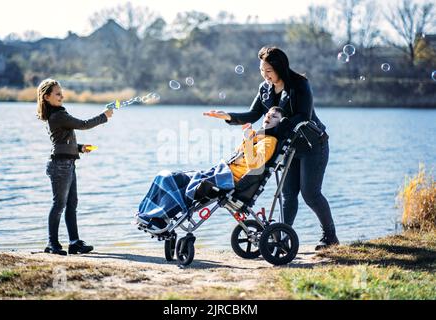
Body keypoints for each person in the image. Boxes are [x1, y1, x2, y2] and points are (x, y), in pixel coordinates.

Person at [204, 46, 339, 250]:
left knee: (310, 193)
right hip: (287, 147)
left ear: (280, 68)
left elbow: (303, 116)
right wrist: (229, 116)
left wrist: (266, 133)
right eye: (261, 70)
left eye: (268, 71)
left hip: (312, 145)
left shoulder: (300, 85)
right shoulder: (265, 89)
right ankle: (283, 237)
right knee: (288, 194)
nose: (264, 75)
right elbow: (253, 114)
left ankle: (330, 237)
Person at [136, 107, 284, 231]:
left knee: (184, 183)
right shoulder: (256, 136)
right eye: (268, 114)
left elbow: (254, 165)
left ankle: (159, 218)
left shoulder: (270, 142)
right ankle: (149, 215)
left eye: (275, 116)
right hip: (221, 171)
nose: (269, 116)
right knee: (168, 177)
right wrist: (249, 139)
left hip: (229, 179)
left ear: (279, 123)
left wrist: (248, 141)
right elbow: (238, 158)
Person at [37, 79, 113, 255]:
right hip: (60, 166)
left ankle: (74, 243)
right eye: (57, 93)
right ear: (46, 97)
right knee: (59, 205)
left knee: (72, 204)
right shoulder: (58, 116)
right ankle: (52, 244)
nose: (61, 96)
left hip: (68, 164)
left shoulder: (59, 114)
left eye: (61, 93)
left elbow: (62, 141)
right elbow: (83, 124)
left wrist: (79, 148)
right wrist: (104, 116)